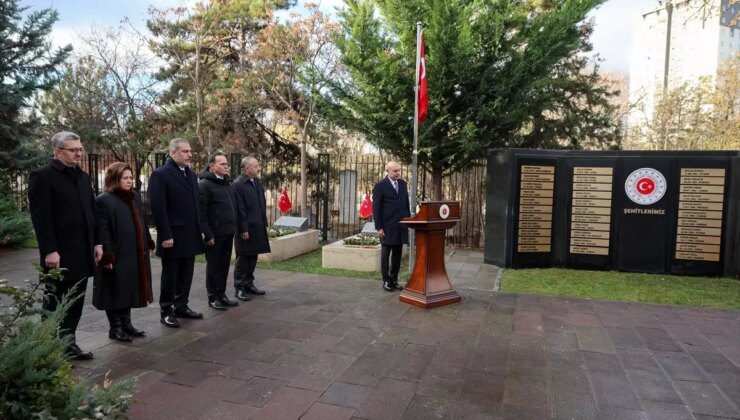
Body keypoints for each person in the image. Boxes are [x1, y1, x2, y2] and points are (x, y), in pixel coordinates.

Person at [28, 131, 102, 360]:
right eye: (74, 150)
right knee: (53, 302)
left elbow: (92, 211)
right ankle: (45, 348)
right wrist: (49, 249)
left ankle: (68, 343)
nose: (79, 153)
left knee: (76, 300)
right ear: (58, 151)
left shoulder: (82, 176)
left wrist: (97, 242)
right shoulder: (42, 176)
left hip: (83, 250)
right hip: (58, 253)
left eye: (80, 149)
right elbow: (41, 218)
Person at [148, 138, 205, 327]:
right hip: (173, 235)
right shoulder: (161, 175)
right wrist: (166, 235)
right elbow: (158, 208)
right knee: (170, 275)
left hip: (190, 234)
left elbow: (196, 205)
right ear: (173, 153)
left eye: (190, 152)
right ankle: (166, 309)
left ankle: (181, 305)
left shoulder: (190, 174)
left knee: (186, 273)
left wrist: (201, 229)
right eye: (185, 151)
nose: (190, 155)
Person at [94, 162, 154, 342]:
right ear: (114, 179)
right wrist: (107, 255)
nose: (129, 181)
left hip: (134, 252)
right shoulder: (104, 200)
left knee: (129, 286)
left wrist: (148, 243)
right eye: (125, 178)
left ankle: (127, 324)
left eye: (130, 178)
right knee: (115, 288)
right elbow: (102, 229)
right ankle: (116, 328)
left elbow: (142, 221)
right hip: (117, 252)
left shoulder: (133, 196)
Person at [199, 153, 240, 310]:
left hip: (228, 231)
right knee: (213, 267)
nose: (226, 166)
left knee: (224, 266)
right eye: (222, 164)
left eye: (226, 163)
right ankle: (213, 297)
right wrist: (208, 234)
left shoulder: (227, 183)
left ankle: (222, 294)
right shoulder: (204, 185)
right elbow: (201, 213)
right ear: (212, 166)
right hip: (214, 234)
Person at [233, 156, 270, 300]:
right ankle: (240, 287)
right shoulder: (238, 184)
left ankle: (249, 284)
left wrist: (263, 223)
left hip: (257, 226)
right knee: (243, 258)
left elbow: (261, 204)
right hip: (246, 228)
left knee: (253, 256)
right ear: (247, 169)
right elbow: (240, 209)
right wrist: (243, 229)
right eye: (255, 166)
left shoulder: (256, 182)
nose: (258, 168)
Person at [372, 161, 410, 292]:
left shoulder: (403, 184)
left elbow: (406, 204)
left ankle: (394, 280)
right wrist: (379, 227)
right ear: (387, 171)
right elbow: (376, 208)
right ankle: (386, 281)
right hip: (387, 227)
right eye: (394, 171)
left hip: (400, 226)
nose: (398, 172)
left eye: (399, 170)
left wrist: (408, 221)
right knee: (385, 255)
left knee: (397, 255)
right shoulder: (380, 186)